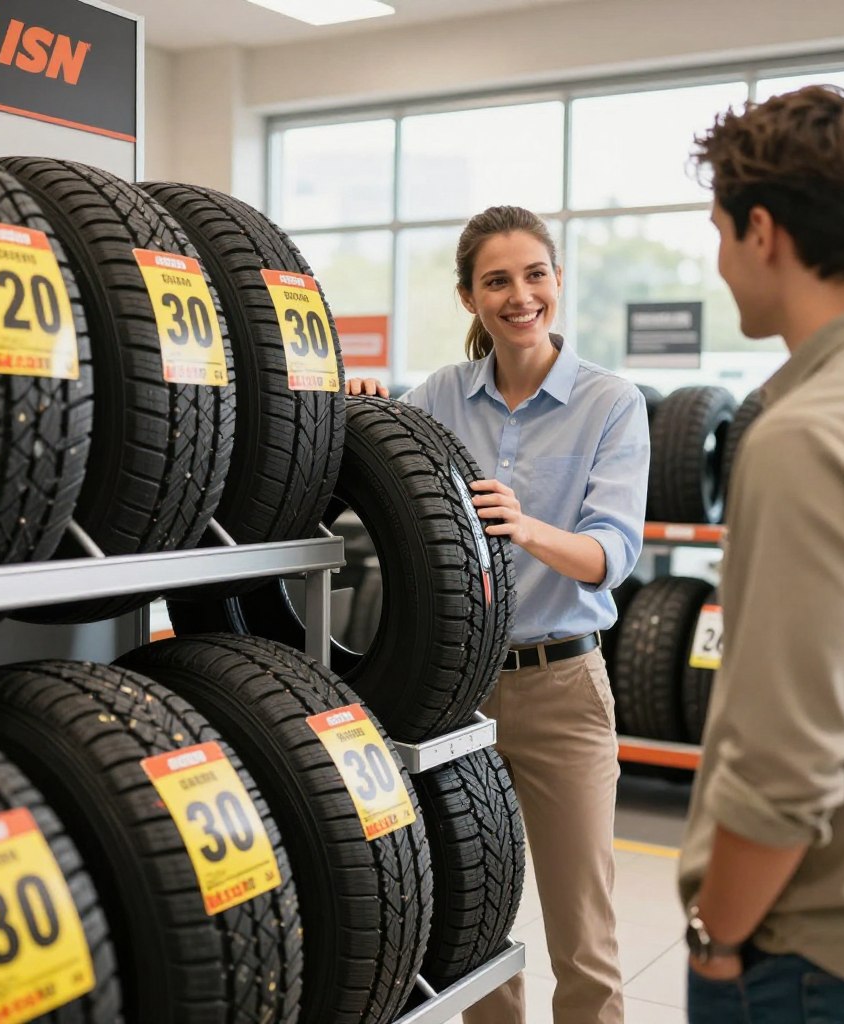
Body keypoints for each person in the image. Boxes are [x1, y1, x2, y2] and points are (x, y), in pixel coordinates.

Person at [347, 205, 650, 1024]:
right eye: (497, 281)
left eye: (534, 274)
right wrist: (364, 406)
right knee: (476, 926)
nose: (520, 295)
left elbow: (611, 554)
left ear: (557, 280)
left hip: (564, 690)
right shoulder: (442, 395)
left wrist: (527, 527)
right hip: (460, 689)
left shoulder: (611, 403)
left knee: (583, 935)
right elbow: (379, 462)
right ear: (468, 297)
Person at [677, 85, 844, 1022]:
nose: (723, 263)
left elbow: (785, 767)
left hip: (815, 960)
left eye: (722, 233)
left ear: (761, 231)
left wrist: (717, 938)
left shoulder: (808, 434)